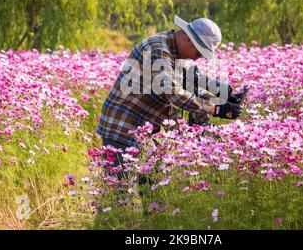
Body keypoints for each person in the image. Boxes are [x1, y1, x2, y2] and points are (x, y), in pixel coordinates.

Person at [96, 15, 246, 181]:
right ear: (188, 39)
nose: (197, 58)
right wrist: (216, 109)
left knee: (153, 188)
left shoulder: (174, 53)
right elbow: (174, 93)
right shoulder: (158, 49)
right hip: (122, 127)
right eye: (198, 52)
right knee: (121, 192)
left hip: (143, 129)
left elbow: (188, 84)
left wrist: (224, 97)